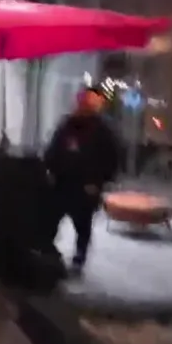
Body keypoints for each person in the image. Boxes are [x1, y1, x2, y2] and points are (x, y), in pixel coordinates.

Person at [40, 87, 120, 272]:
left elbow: (111, 158)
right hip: (62, 183)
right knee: (51, 220)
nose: (85, 105)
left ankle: (79, 256)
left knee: (82, 225)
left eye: (91, 102)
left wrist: (99, 182)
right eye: (84, 101)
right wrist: (50, 169)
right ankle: (46, 250)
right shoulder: (68, 124)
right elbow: (54, 148)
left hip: (86, 186)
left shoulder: (102, 130)